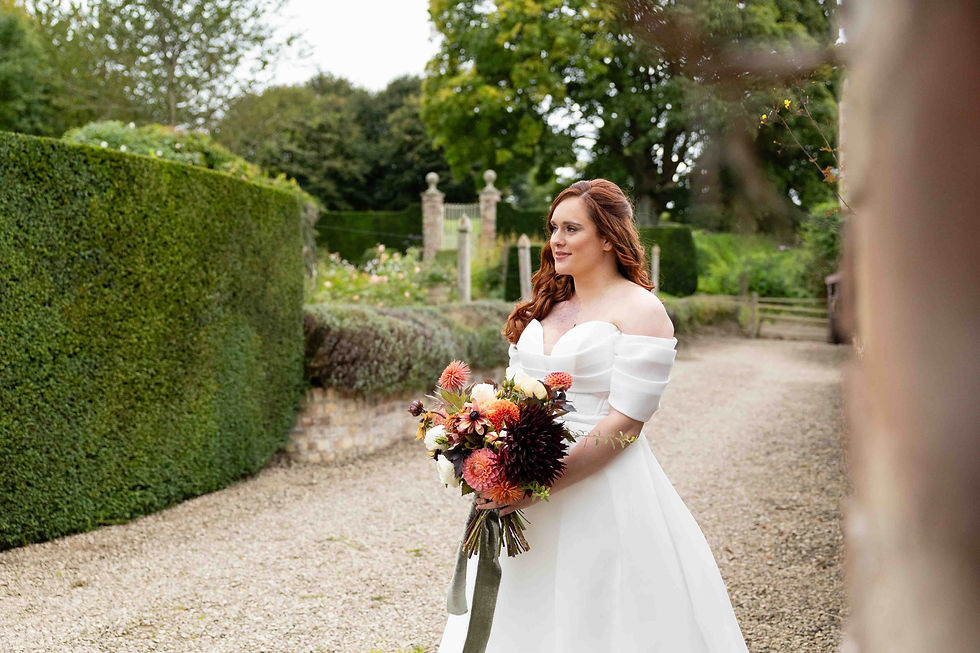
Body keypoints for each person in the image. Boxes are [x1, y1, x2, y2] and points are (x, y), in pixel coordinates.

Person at [437, 179, 749, 652]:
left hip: (602, 489)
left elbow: (626, 425)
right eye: (552, 228)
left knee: (600, 616)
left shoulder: (643, 310)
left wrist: (540, 484)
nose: (556, 240)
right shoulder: (545, 306)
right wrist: (485, 452)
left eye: (571, 228)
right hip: (521, 480)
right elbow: (513, 397)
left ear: (607, 236)